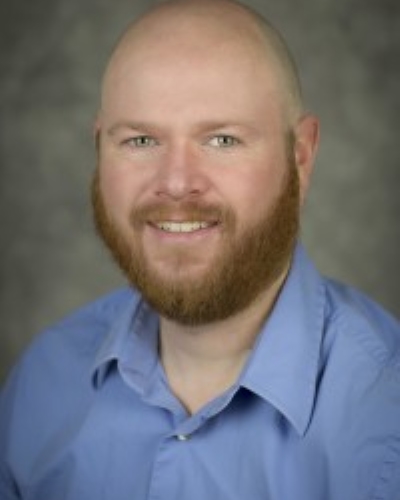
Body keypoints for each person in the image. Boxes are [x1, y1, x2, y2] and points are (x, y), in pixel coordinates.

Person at [1, 0, 399, 498]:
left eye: (222, 140)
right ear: (99, 148)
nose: (176, 183)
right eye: (141, 141)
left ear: (300, 157)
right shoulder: (43, 383)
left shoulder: (385, 418)